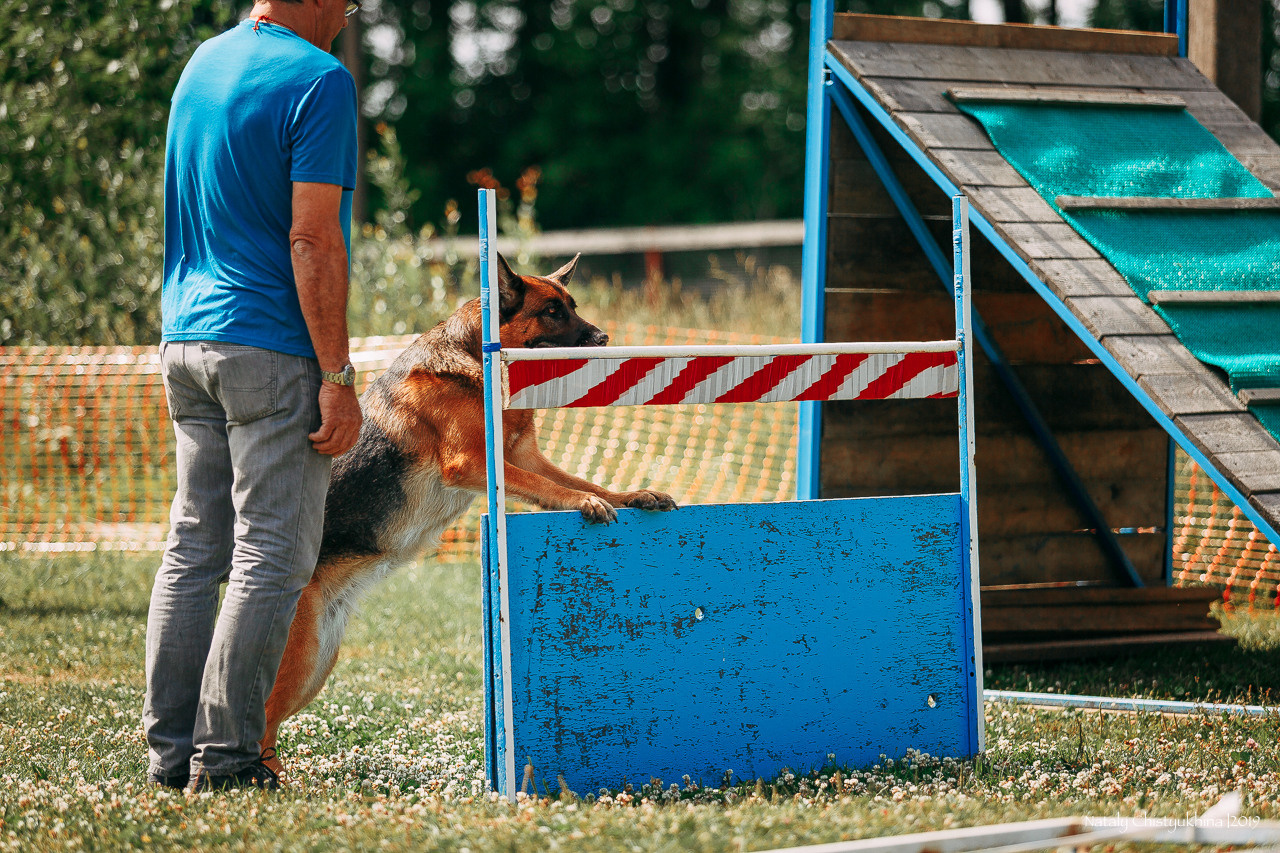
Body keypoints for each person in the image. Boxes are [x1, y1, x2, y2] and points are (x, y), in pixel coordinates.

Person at [143, 0, 364, 792]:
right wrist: (336, 375)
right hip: (270, 344)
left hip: (185, 339)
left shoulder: (203, 63)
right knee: (273, 553)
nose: (348, 10)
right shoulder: (321, 81)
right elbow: (312, 236)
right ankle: (228, 758)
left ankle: (170, 752)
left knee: (194, 549)